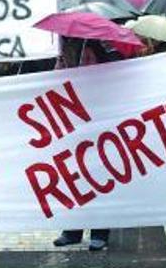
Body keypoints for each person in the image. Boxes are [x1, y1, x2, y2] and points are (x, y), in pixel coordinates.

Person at [52, 38, 111, 251]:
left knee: (100, 184)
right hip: (72, 138)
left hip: (98, 139)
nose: (85, 61)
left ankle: (100, 232)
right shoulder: (67, 67)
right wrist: (62, 68)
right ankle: (72, 231)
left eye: (89, 58)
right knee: (73, 183)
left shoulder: (108, 75)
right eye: (82, 57)